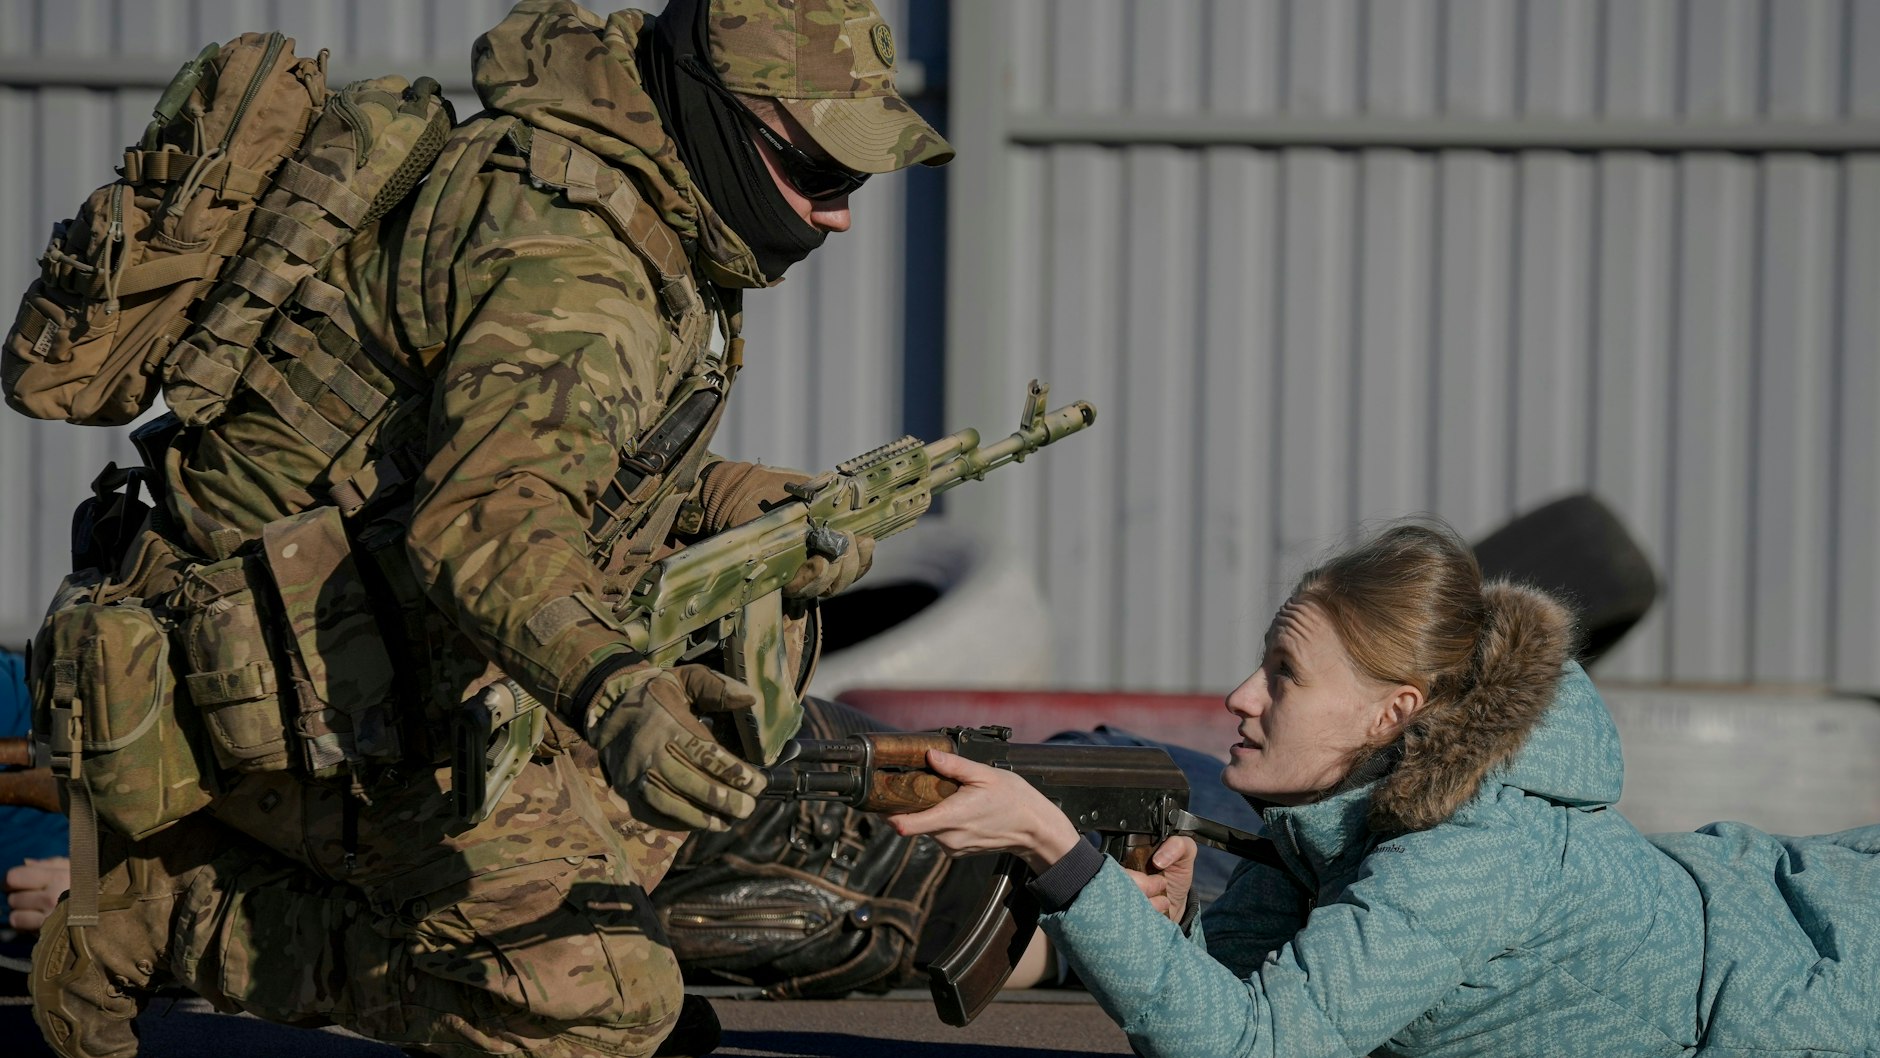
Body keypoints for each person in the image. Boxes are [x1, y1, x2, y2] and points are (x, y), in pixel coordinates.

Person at [27, 2, 951, 1057]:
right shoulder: (574, 256)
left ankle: (525, 942)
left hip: (363, 635)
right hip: (261, 686)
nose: (838, 216)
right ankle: (163, 912)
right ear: (718, 117)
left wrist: (727, 500)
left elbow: (522, 452)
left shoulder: (620, 197)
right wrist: (615, 694)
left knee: (739, 616)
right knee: (604, 1006)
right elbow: (483, 521)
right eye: (822, 171)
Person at [893, 522, 1880, 1057]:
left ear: (1388, 714)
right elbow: (1227, 1014)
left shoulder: (1463, 857)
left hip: (1827, 973)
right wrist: (1170, 925)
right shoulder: (1325, 821)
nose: (1240, 696)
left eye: (1284, 673)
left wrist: (1060, 854)